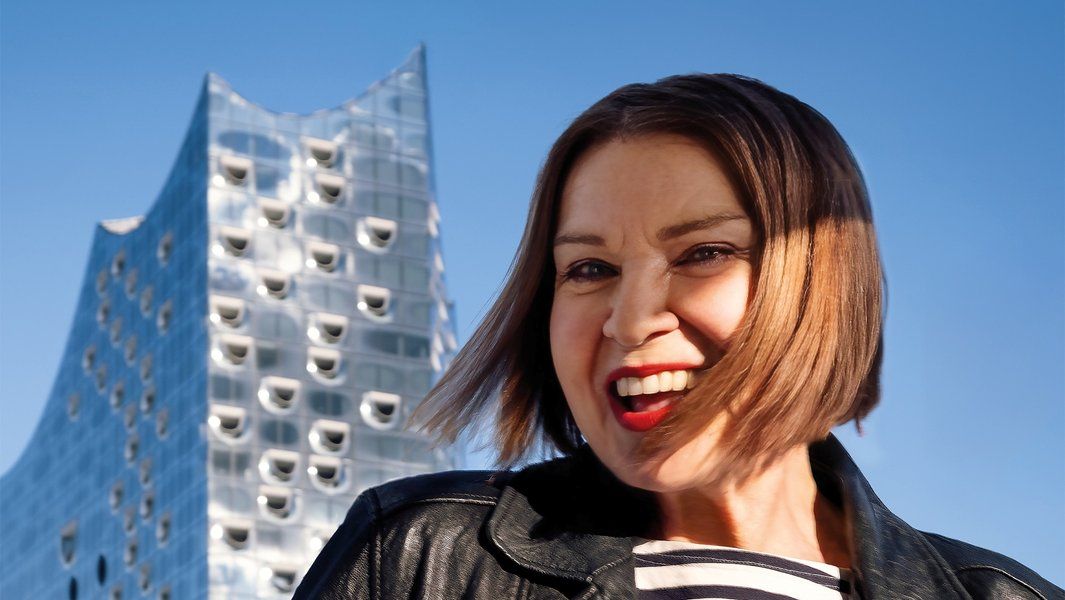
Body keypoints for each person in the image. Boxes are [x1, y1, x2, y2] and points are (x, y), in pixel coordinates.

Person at [294, 74, 1062, 599]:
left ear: (822, 285)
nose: (629, 321)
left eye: (702, 254)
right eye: (589, 269)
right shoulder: (419, 554)